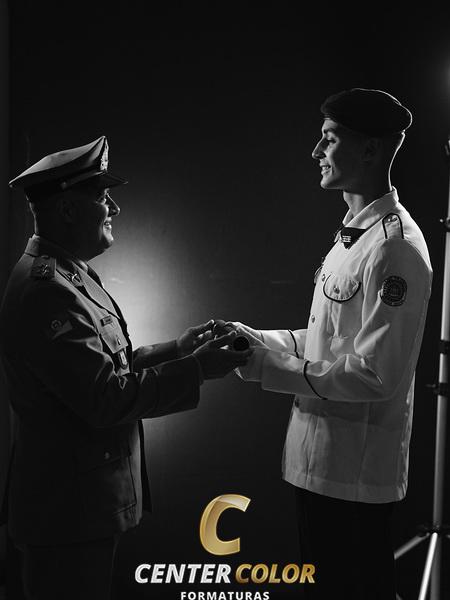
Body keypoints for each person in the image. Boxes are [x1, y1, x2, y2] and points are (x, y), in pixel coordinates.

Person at [0, 135, 251, 600]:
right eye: (101, 196)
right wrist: (196, 369)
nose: (113, 207)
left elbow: (104, 369)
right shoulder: (47, 291)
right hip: (66, 518)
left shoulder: (68, 273)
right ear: (68, 210)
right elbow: (104, 399)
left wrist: (179, 349)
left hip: (79, 509)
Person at [228, 89, 433, 599]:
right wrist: (253, 340)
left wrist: (265, 367)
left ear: (371, 150)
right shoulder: (355, 236)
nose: (316, 151)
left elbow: (374, 375)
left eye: (330, 139)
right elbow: (328, 340)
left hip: (353, 481)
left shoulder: (395, 247)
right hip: (318, 468)